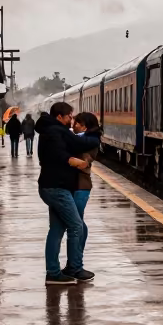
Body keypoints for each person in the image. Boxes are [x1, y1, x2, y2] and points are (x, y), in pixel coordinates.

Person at [34, 102, 97, 285]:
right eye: (70, 116)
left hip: (52, 186)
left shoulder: (50, 131)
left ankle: (54, 272)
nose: (72, 119)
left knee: (56, 229)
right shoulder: (56, 132)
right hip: (57, 187)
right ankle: (72, 269)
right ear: (59, 117)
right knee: (76, 226)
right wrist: (73, 161)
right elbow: (62, 153)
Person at [70, 111, 101, 260]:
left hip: (82, 186)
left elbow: (84, 163)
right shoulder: (78, 138)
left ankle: (77, 257)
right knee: (77, 222)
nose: (73, 125)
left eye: (77, 123)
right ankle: (76, 257)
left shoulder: (92, 141)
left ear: (84, 127)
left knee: (77, 222)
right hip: (73, 185)